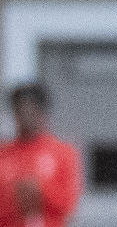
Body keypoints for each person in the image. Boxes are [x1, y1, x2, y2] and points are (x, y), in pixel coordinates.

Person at [0, 85, 80, 227]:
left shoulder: (62, 152)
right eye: (19, 110)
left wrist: (41, 190)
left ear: (42, 112)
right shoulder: (4, 153)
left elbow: (68, 205)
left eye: (30, 110)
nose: (24, 116)